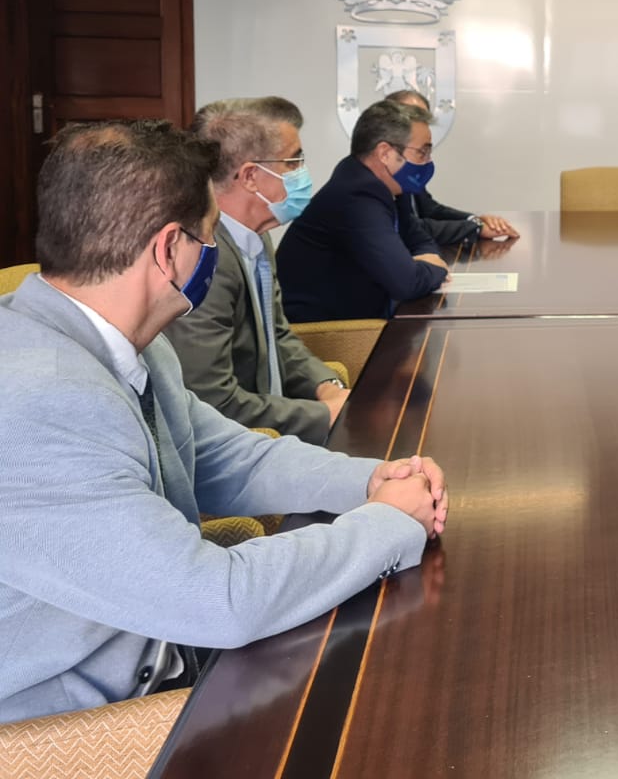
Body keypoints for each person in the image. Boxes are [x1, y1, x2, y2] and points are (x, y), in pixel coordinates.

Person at [0, 120, 447, 724]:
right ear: (167, 249)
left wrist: (369, 481)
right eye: (208, 237)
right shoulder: (37, 399)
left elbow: (223, 456)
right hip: (87, 721)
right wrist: (389, 526)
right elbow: (218, 601)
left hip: (168, 639)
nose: (216, 253)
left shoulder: (126, 341)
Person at [162, 97, 349, 442]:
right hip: (232, 450)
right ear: (250, 176)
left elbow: (277, 335)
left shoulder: (255, 238)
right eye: (293, 161)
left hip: (274, 432)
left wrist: (327, 387)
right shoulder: (203, 258)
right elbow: (213, 401)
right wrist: (321, 415)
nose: (302, 172)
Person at [276, 100, 450, 320]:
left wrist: (427, 259)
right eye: (422, 153)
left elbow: (420, 240)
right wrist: (436, 268)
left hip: (368, 314)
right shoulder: (356, 195)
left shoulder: (390, 187)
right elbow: (407, 282)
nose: (428, 161)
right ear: (385, 153)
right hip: (329, 332)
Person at [384, 90, 518, 246]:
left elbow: (431, 210)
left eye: (423, 120)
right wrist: (475, 228)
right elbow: (409, 228)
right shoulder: (381, 172)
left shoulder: (411, 167)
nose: (418, 127)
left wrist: (476, 220)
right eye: (412, 119)